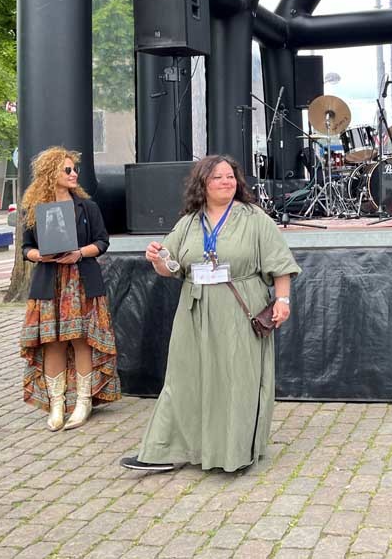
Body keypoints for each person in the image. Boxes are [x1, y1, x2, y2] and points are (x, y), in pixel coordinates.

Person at [121, 155, 300, 473]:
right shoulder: (189, 222)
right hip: (196, 309)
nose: (226, 182)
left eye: (230, 176)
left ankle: (234, 452)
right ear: (202, 183)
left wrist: (282, 301)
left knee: (237, 379)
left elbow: (279, 264)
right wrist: (158, 258)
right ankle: (162, 451)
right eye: (217, 177)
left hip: (239, 308)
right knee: (184, 377)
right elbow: (170, 267)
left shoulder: (254, 218)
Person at [19, 147, 120, 431]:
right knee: (53, 342)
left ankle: (83, 402)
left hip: (81, 281)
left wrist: (79, 252)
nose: (74, 174)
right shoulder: (34, 209)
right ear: (51, 173)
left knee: (82, 340)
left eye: (74, 169)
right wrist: (40, 255)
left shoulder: (87, 207)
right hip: (49, 282)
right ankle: (56, 404)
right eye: (67, 170)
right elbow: (26, 248)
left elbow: (102, 242)